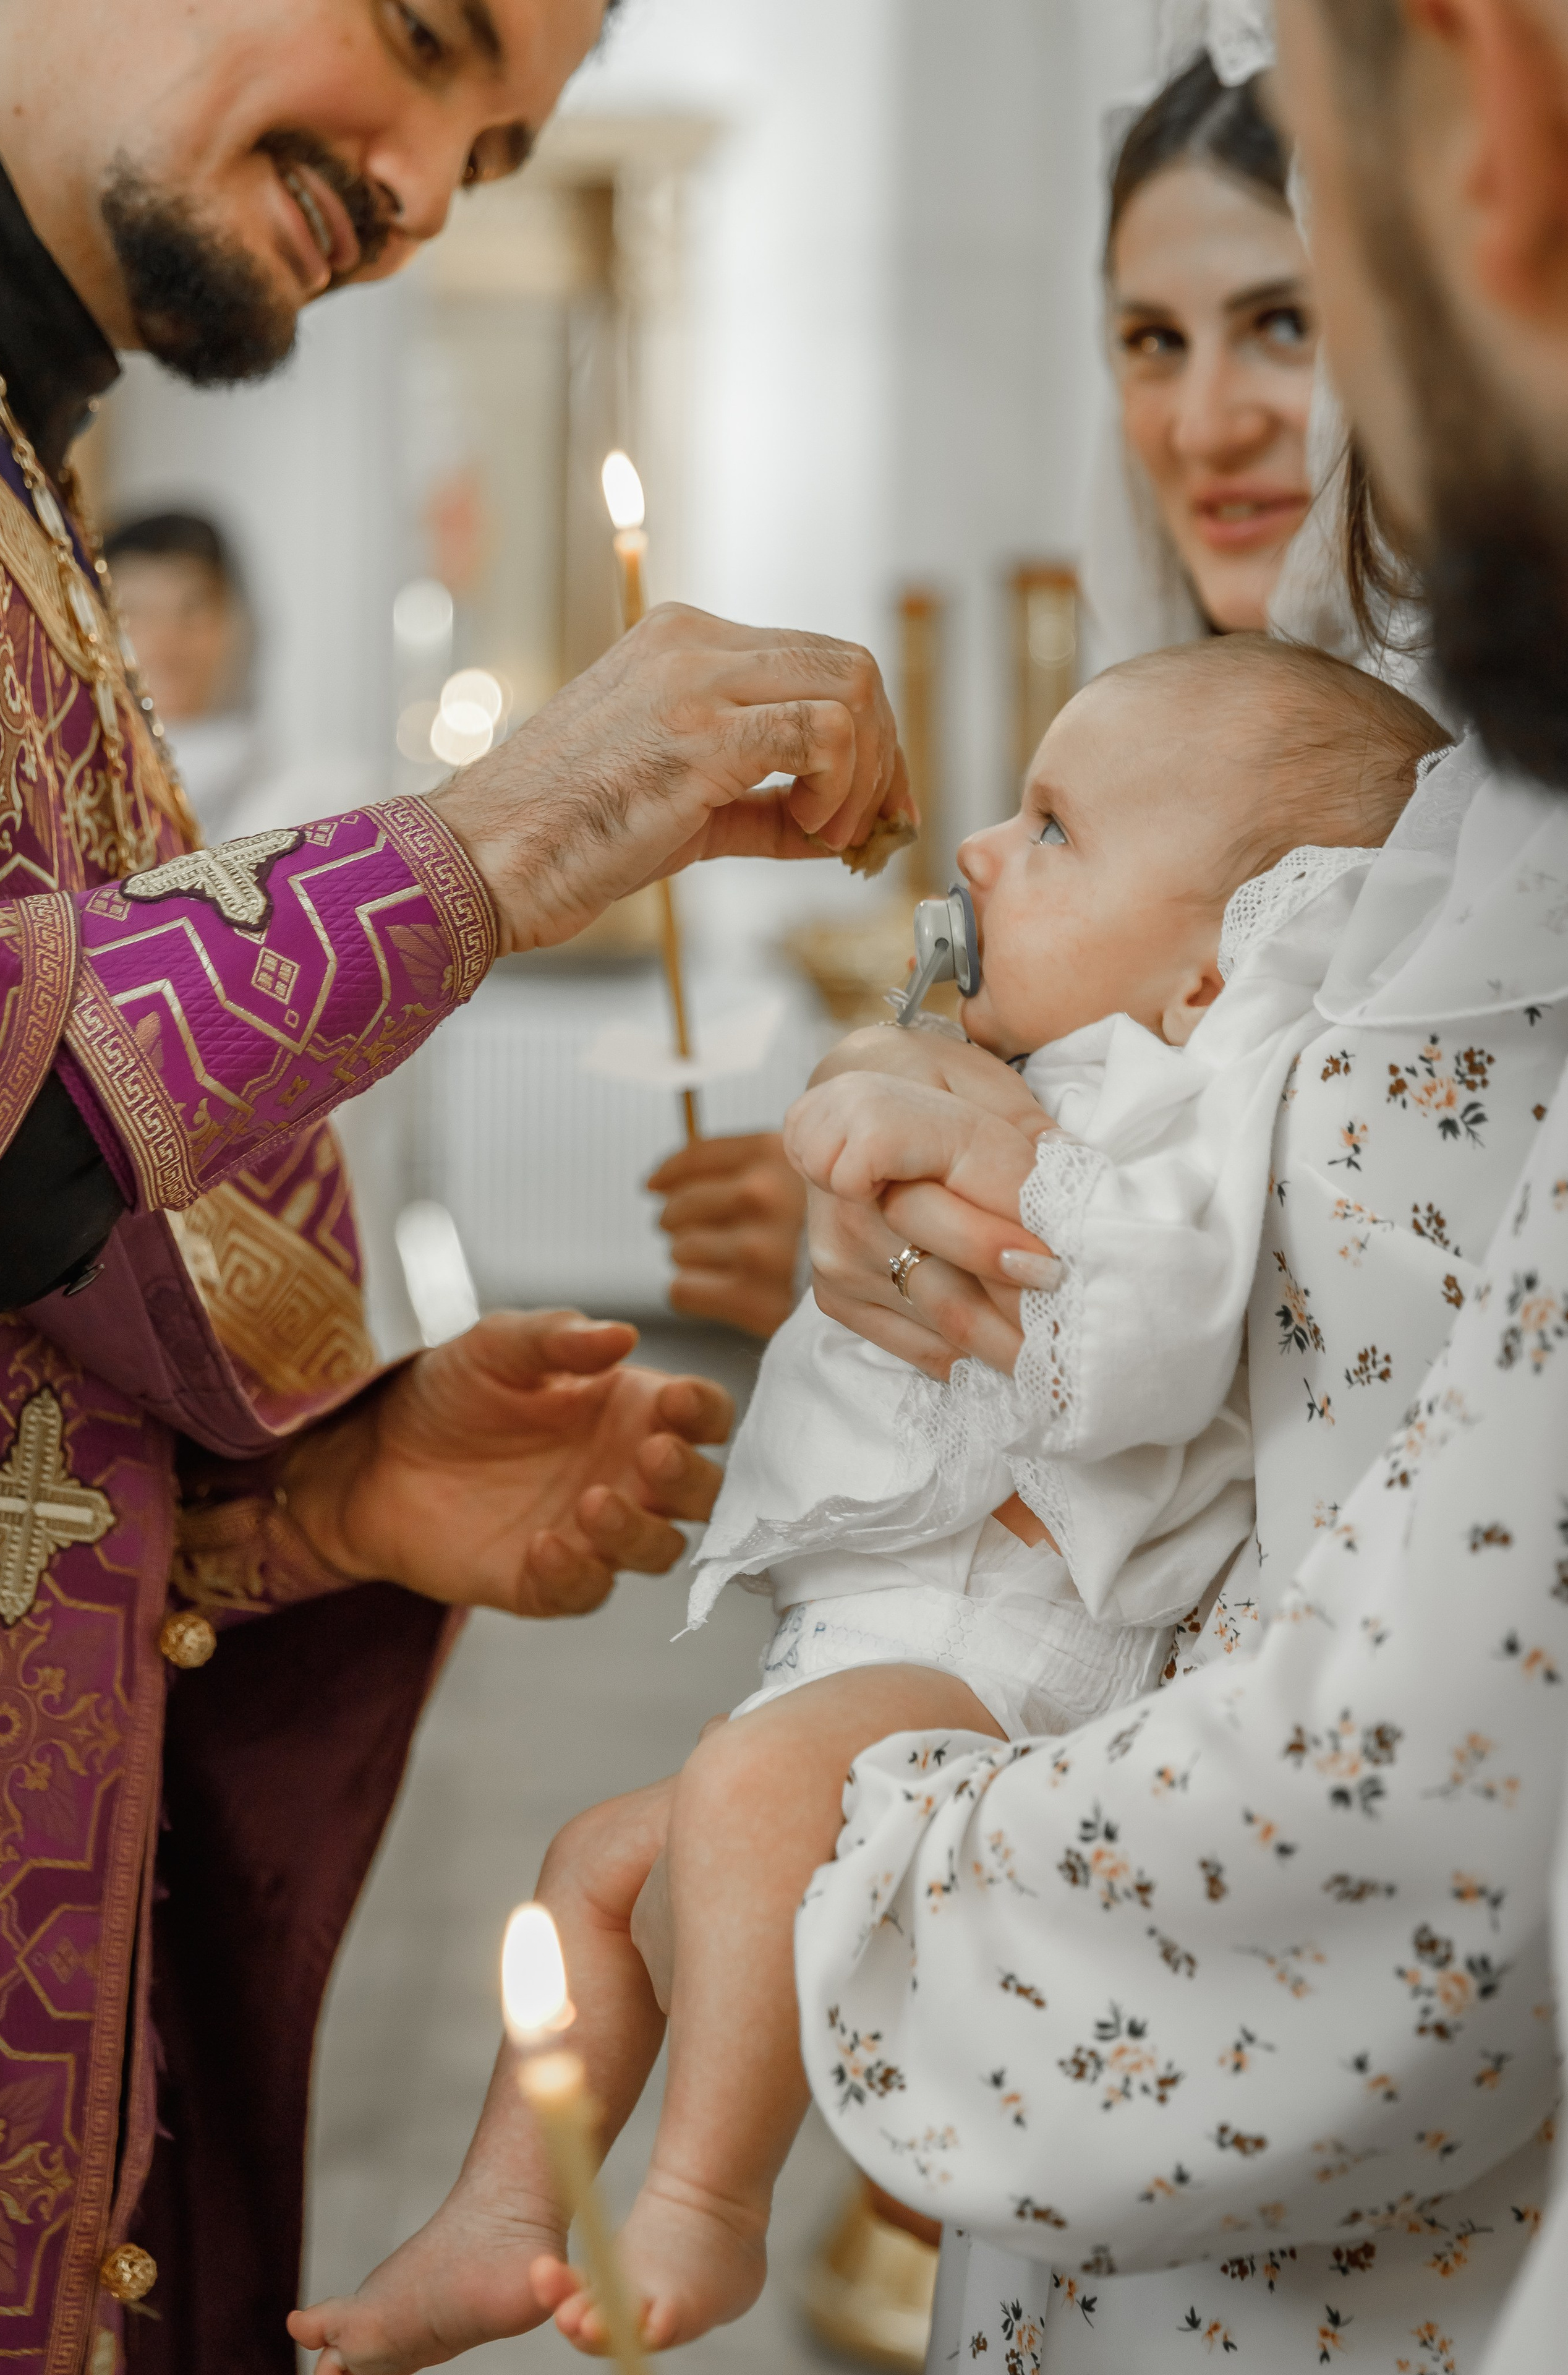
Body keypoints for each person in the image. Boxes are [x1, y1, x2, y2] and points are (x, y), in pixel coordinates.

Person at [0, 4, 913, 2368]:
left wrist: (323, 1510)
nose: (411, 190)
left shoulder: (31, 500)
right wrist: (508, 834)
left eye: (492, 160)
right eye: (421, 38)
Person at [289, 633, 1447, 2368]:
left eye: (1051, 829)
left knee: (747, 1790)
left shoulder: (1179, 1122)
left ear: (1210, 975)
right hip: (905, 1638)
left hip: (1009, 1658)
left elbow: (1143, 1346)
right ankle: (499, 2216)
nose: (980, 847)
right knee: (594, 1867)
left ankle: (709, 2200)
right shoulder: (1060, 1072)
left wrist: (996, 1162)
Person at [751, 2, 1568, 2368]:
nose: (1226, 415)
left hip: (1276, 2073)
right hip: (1123, 1976)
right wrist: (916, 1138)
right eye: (1149, 337)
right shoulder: (1322, 779)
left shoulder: (1439, 837)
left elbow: (1423, 1812)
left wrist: (856, 1865)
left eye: (1297, 301)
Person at [653, 54, 1324, 1355]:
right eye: (1152, 341)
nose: (1201, 425)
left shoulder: (1494, 812)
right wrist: (896, 1197)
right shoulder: (1161, 738)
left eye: (1283, 324)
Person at [102, 510, 259, 841]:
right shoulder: (76, 796)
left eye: (192, 610)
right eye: (135, 614)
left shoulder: (313, 799)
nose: (165, 643)